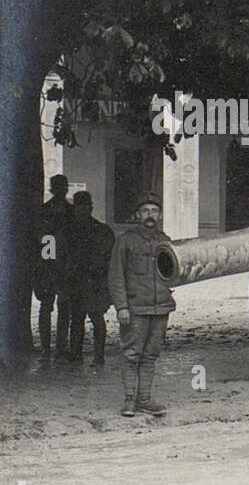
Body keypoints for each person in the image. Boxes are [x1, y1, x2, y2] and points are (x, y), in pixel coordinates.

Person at [107, 192, 175, 416]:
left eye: (154, 211)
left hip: (160, 308)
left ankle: (144, 399)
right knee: (131, 355)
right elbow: (116, 276)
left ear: (160, 215)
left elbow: (173, 274)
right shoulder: (125, 241)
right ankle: (129, 401)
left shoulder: (165, 241)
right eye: (145, 211)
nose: (150, 215)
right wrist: (122, 307)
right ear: (137, 214)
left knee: (151, 355)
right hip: (135, 309)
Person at [64, 191, 116, 367]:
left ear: (91, 208)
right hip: (75, 281)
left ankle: (99, 356)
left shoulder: (102, 231)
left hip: (95, 281)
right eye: (79, 207)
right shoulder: (68, 231)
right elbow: (60, 255)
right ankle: (76, 354)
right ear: (74, 209)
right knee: (76, 319)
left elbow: (110, 258)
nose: (82, 211)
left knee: (96, 318)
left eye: (86, 207)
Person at [31, 174, 72, 362]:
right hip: (50, 266)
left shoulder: (69, 212)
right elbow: (42, 241)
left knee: (62, 308)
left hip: (62, 266)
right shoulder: (45, 212)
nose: (60, 191)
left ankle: (58, 348)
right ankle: (47, 349)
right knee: (47, 307)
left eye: (62, 187)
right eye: (58, 187)